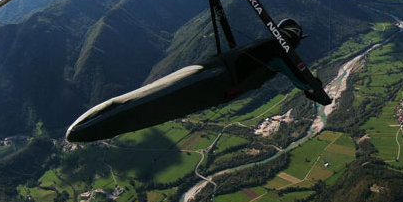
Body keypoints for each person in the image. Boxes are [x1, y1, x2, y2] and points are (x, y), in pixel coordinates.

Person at [66, 19, 324, 142]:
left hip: (210, 75)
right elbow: (297, 76)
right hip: (214, 80)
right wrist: (313, 89)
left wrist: (309, 86)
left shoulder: (268, 43)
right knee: (152, 101)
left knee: (155, 97)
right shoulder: (278, 50)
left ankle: (85, 128)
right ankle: (84, 129)